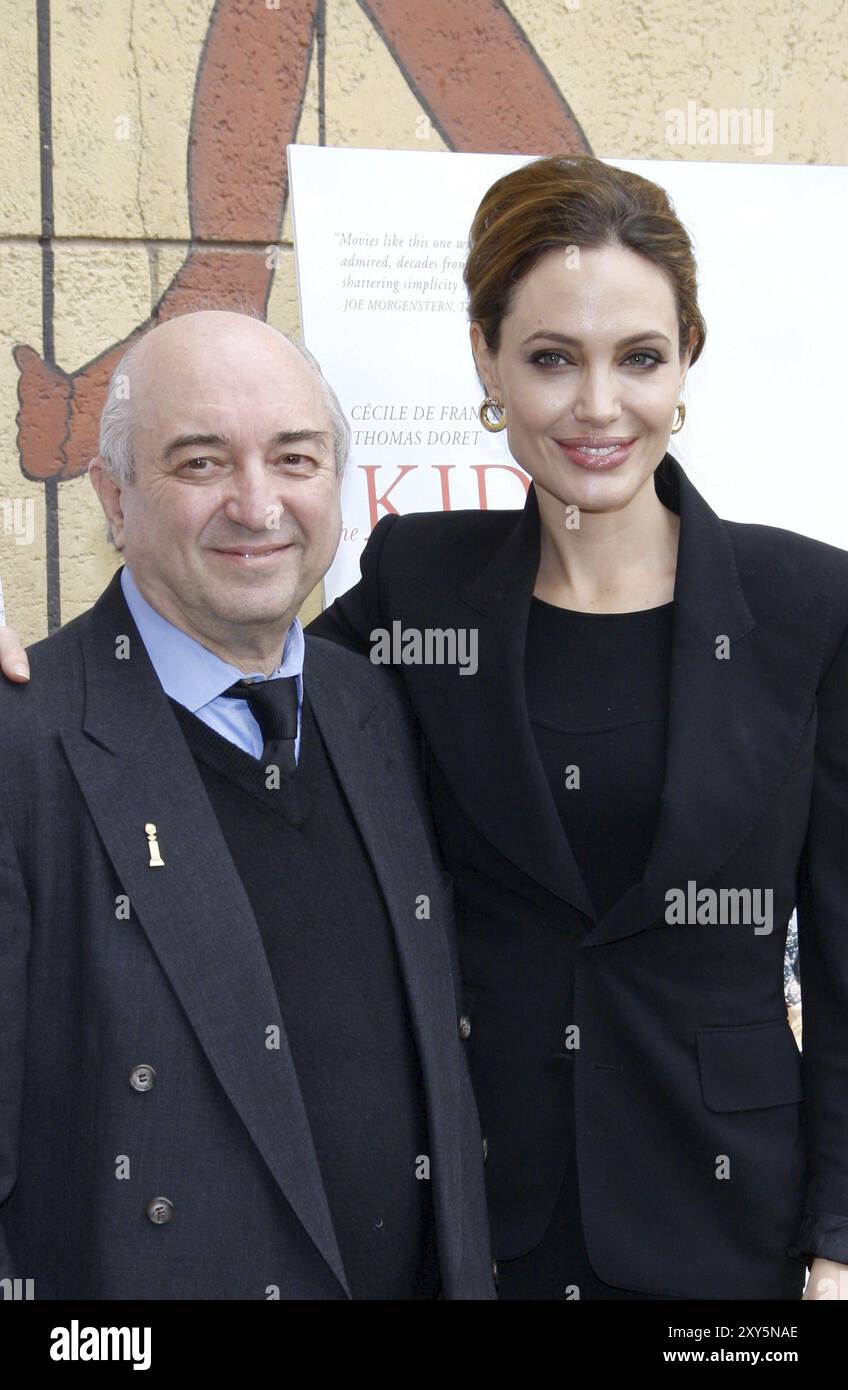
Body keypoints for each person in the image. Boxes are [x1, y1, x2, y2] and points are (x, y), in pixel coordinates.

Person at [3, 157, 848, 1302]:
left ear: (686, 357)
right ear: (486, 362)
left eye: (637, 357)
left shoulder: (807, 607)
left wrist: (835, 1240)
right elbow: (202, 658)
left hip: (731, 1232)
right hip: (478, 1230)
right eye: (550, 358)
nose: (597, 407)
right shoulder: (420, 587)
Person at [0, 310, 495, 1300]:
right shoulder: (24, 741)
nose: (257, 503)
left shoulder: (381, 708)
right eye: (199, 463)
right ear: (114, 497)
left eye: (295, 458)